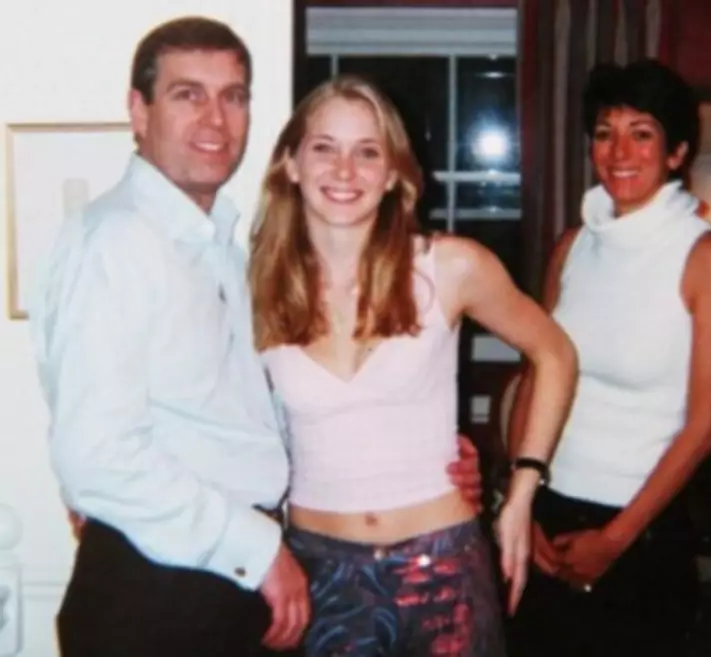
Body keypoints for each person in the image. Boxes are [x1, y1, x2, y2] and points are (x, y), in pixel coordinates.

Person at [30, 17, 482, 657]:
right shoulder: (115, 242)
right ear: (139, 110)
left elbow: (252, 418)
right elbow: (98, 456)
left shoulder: (227, 250)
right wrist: (258, 548)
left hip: (232, 582)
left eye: (233, 96)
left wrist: (420, 453)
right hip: (160, 590)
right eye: (188, 94)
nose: (215, 119)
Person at [249, 74, 577, 657]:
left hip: (444, 569)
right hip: (319, 577)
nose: (345, 170)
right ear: (291, 165)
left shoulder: (449, 267)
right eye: (324, 148)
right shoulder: (255, 286)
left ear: (393, 174)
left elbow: (555, 353)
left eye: (367, 152)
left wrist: (521, 490)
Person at [506, 59, 711, 657]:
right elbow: (535, 377)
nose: (619, 151)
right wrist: (520, 502)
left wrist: (616, 539)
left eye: (642, 133)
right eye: (605, 133)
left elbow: (707, 423)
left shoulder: (705, 258)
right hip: (547, 513)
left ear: (677, 152)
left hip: (642, 529)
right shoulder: (572, 246)